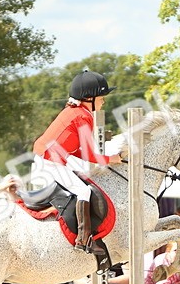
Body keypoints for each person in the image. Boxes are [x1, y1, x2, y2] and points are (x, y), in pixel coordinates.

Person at [31, 69, 124, 252]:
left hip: (47, 160)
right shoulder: (83, 116)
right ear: (89, 98)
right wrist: (111, 159)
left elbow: (77, 151)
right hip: (50, 164)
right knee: (83, 191)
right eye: (101, 96)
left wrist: (107, 159)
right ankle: (83, 239)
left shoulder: (73, 112)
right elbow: (89, 154)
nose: (104, 100)